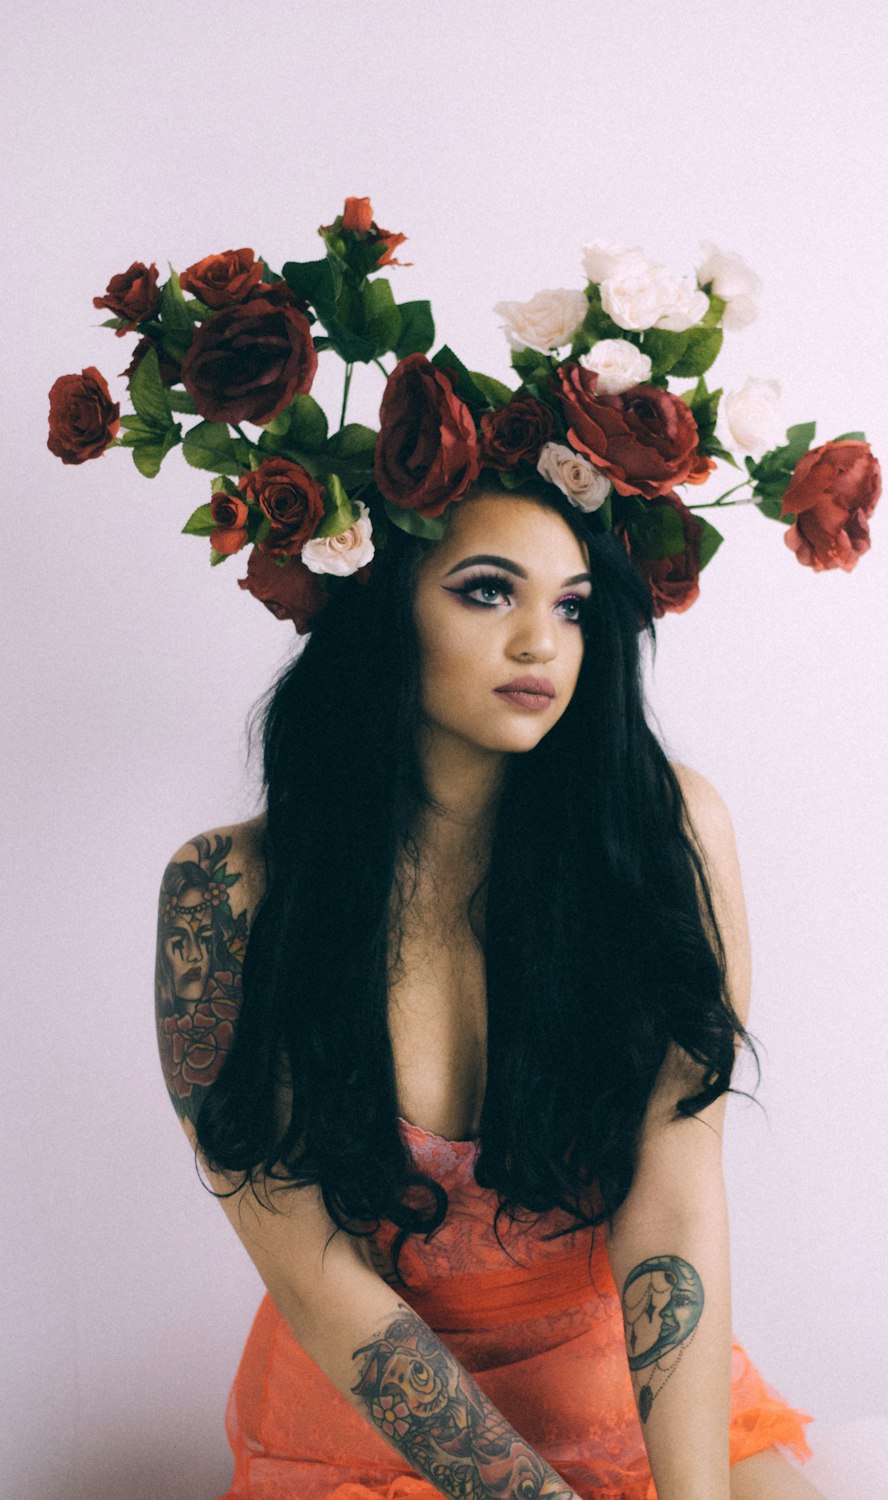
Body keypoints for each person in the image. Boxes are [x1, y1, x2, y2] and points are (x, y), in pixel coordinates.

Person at [155, 474, 826, 1500]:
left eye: (571, 605)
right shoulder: (227, 893)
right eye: (485, 591)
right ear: (383, 607)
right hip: (367, 1420)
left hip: (617, 1388)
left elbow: (677, 1203)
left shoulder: (663, 835)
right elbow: (315, 1276)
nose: (541, 643)